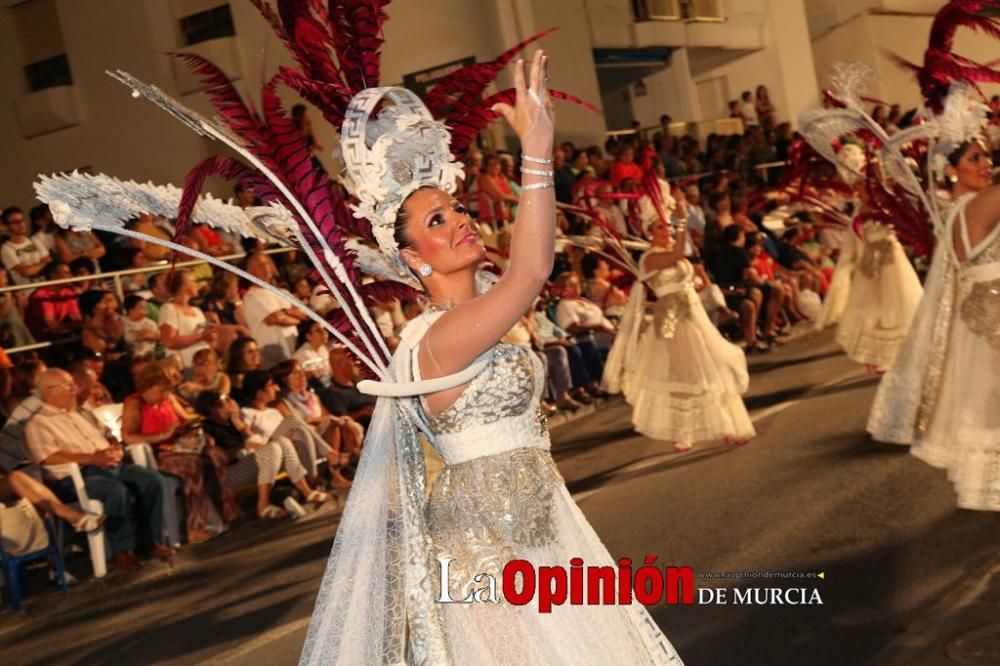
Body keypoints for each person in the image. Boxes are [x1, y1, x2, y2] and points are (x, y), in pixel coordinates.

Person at [868, 135, 1000, 511]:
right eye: (975, 158)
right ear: (950, 170)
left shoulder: (957, 208)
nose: (986, 164)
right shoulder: (979, 205)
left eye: (987, 156)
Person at [26, 369, 171, 571]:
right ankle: (122, 551)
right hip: (74, 477)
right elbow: (47, 457)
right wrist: (91, 459)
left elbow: (107, 435)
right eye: (68, 386)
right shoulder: (38, 423)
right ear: (50, 392)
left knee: (151, 480)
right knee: (115, 490)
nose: (75, 390)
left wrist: (113, 447)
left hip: (107, 465)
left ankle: (149, 541)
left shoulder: (79, 414)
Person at [121, 361, 237, 543]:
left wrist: (196, 431)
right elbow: (128, 436)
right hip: (157, 454)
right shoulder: (135, 403)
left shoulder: (168, 399)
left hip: (181, 448)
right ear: (148, 387)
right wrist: (162, 435)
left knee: (215, 455)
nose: (166, 395)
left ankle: (224, 513)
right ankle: (195, 525)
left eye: (168, 390)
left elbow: (185, 420)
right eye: (161, 390)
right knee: (190, 465)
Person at [158, 270, 218, 372]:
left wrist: (211, 337)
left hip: (205, 366)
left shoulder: (197, 311)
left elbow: (208, 340)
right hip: (185, 367)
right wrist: (201, 336)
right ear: (183, 286)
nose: (197, 285)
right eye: (193, 281)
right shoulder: (169, 309)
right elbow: (170, 342)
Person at [1, 207, 51, 287]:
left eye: (22, 220)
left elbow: (49, 261)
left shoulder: (34, 240)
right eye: (15, 222)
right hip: (27, 290)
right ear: (7, 226)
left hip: (45, 285)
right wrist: (42, 263)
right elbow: (26, 272)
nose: (21, 224)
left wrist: (35, 267)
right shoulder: (6, 249)